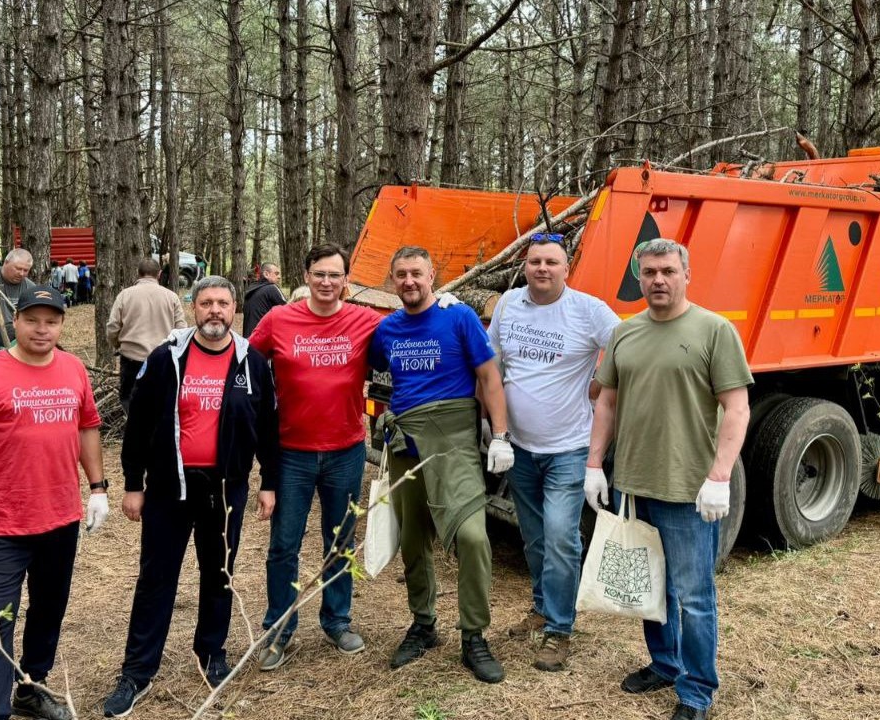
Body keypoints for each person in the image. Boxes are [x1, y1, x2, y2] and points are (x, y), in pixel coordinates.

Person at [585, 238, 751, 720]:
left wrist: (719, 477)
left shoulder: (714, 331)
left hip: (688, 490)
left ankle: (697, 690)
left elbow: (737, 408)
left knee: (694, 596)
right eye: (650, 272)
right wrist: (595, 465)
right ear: (640, 278)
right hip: (633, 485)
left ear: (686, 275)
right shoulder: (626, 333)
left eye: (668, 271)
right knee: (649, 586)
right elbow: (607, 402)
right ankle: (664, 663)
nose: (659, 280)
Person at [101, 276, 280, 717]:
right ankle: (137, 672)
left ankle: (211, 653)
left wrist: (269, 481)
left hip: (225, 488)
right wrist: (133, 484)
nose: (214, 311)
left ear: (234, 308)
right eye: (206, 303)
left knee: (218, 574)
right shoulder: (167, 359)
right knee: (156, 579)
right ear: (193, 308)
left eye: (222, 303)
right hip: (168, 489)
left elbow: (269, 429)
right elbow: (139, 427)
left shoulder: (251, 363)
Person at [0, 285, 108, 720]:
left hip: (59, 518)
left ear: (61, 325)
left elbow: (87, 426)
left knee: (49, 610)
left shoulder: (73, 369)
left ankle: (32, 686)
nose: (41, 329)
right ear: (15, 321)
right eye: (32, 319)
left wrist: (98, 487)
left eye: (51, 321)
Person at [369, 246, 513, 684]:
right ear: (392, 281)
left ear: (433, 275)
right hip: (404, 443)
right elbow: (373, 372)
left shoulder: (460, 318)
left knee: (471, 536)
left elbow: (489, 375)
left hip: (453, 442)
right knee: (413, 539)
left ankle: (474, 635)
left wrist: (501, 436)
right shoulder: (386, 330)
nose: (409, 282)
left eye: (417, 273)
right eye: (401, 275)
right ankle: (423, 624)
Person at [249, 244, 383, 670]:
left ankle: (337, 621)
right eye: (319, 273)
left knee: (340, 540)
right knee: (284, 546)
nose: (327, 282)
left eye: (335, 275)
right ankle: (279, 630)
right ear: (305, 275)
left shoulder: (365, 321)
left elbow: (404, 341)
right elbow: (244, 366)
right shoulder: (279, 320)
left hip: (346, 450)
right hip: (291, 453)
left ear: (346, 280)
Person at [489, 237, 620, 671]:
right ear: (525, 266)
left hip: (569, 448)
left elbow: (624, 348)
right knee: (534, 536)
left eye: (552, 262)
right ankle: (543, 607)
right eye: (535, 261)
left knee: (562, 536)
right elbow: (493, 367)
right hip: (520, 449)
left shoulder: (588, 309)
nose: (542, 268)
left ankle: (560, 631)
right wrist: (498, 434)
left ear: (567, 269)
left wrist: (599, 383)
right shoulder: (508, 304)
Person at [107, 257, 188, 411]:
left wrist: (118, 344)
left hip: (132, 358)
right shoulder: (171, 297)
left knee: (130, 402)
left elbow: (112, 327)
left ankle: (135, 433)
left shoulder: (125, 295)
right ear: (159, 274)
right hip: (163, 359)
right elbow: (182, 330)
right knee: (160, 403)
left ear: (139, 273)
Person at [242, 262, 287, 337]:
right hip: (263, 342)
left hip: (248, 343)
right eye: (276, 273)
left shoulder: (251, 290)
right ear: (266, 274)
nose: (279, 277)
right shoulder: (272, 288)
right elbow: (288, 311)